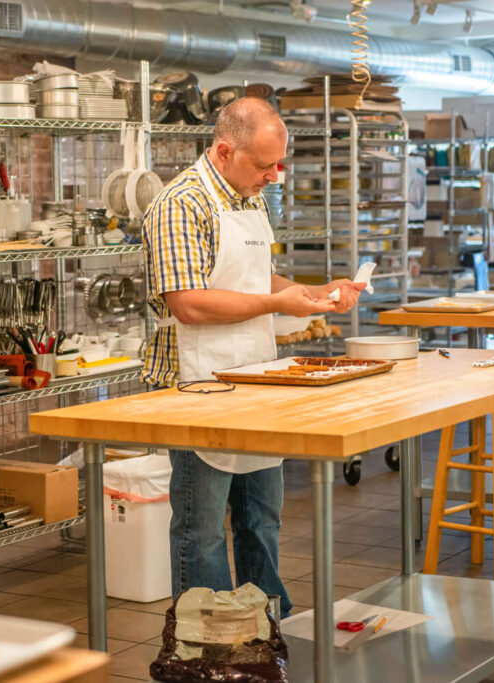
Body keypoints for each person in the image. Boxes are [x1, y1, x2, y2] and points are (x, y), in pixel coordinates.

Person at [141, 97, 366, 618]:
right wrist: (274, 304)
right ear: (224, 151)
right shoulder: (183, 203)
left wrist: (310, 293)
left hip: (255, 379)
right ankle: (211, 642)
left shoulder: (248, 195)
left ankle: (266, 625)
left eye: (277, 164)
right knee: (201, 529)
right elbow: (189, 302)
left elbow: (251, 278)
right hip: (195, 388)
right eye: (265, 166)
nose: (274, 176)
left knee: (260, 517)